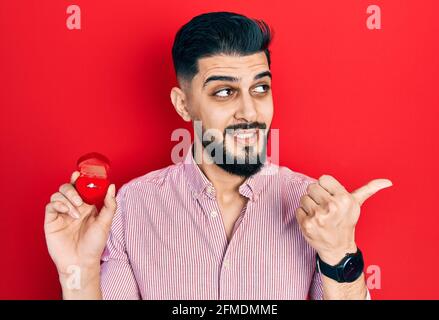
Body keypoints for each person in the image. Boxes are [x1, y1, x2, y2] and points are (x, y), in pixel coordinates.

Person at [44, 11, 392, 299]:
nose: (249, 111)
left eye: (260, 88)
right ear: (183, 104)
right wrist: (78, 270)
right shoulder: (131, 208)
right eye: (224, 92)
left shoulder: (316, 210)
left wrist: (340, 252)